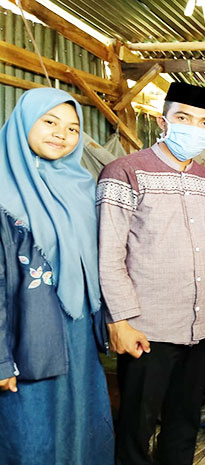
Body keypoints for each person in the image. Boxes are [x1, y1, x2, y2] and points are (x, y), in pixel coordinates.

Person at [98, 82, 205, 465]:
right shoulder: (124, 172)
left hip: (203, 324)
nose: (195, 128)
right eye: (184, 118)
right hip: (147, 328)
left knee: (185, 420)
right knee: (137, 427)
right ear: (163, 122)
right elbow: (109, 253)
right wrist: (120, 321)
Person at [0, 88, 113, 464]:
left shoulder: (80, 186)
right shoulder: (4, 189)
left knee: (80, 425)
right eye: (49, 122)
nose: (61, 134)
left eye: (72, 128)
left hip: (78, 332)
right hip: (25, 336)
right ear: (23, 122)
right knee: (30, 434)